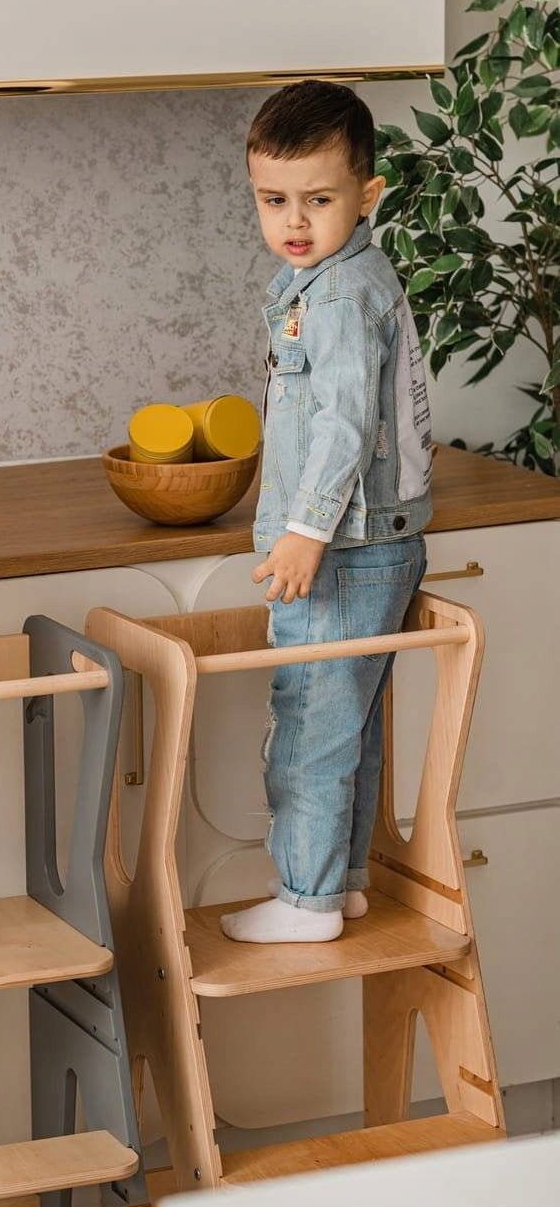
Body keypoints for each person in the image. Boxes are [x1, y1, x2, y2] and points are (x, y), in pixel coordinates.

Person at [221, 81, 431, 945]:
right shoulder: (344, 278)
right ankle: (339, 886)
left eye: (318, 199)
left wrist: (305, 532)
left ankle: (304, 900)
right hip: (378, 541)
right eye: (274, 200)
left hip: (340, 550)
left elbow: (344, 424)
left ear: (367, 194)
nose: (294, 220)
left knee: (310, 723)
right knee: (351, 726)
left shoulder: (338, 297)